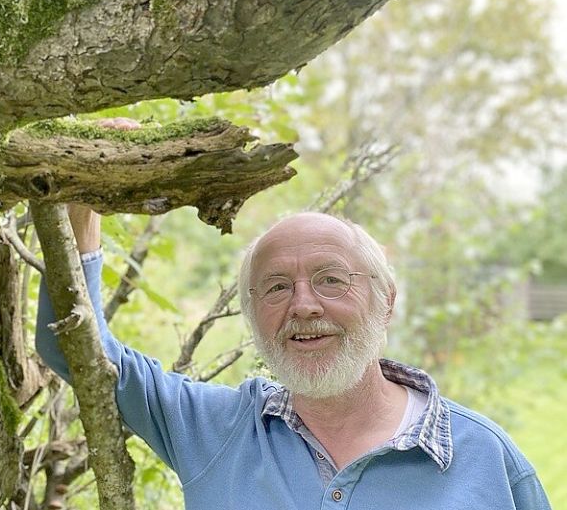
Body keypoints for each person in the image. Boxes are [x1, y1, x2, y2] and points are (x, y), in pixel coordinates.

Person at [36, 207, 551, 509]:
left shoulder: (486, 461)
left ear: (386, 300)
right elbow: (75, 349)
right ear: (252, 313)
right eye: (278, 287)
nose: (303, 305)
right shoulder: (218, 430)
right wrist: (81, 212)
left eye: (331, 279)